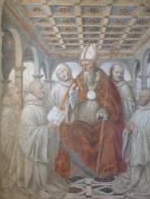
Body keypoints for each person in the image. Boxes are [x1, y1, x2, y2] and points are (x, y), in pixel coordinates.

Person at [54, 44, 128, 180]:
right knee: (69, 131)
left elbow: (114, 103)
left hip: (101, 122)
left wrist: (105, 110)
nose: (85, 67)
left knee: (110, 132)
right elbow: (67, 104)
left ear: (94, 64)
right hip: (81, 121)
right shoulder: (79, 80)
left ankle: (106, 171)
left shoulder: (105, 80)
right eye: (83, 64)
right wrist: (72, 99)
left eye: (88, 64)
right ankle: (78, 171)